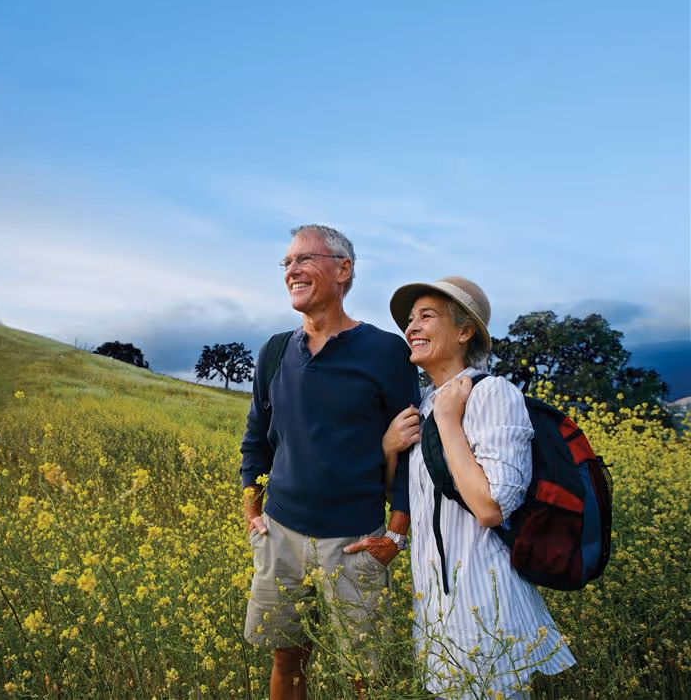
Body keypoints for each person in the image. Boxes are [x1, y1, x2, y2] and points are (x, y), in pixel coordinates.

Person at [240, 224, 420, 699]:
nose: (292, 271)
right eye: (287, 263)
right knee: (286, 657)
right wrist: (251, 508)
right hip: (281, 532)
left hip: (355, 541)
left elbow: (411, 448)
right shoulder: (275, 351)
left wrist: (396, 531)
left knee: (364, 671)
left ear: (343, 270)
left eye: (305, 259)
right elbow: (257, 438)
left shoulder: (385, 351)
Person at [383, 276, 575, 699]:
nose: (411, 328)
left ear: (465, 331)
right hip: (435, 606)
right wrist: (390, 450)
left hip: (484, 606)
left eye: (426, 316)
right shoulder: (427, 404)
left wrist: (450, 424)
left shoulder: (494, 395)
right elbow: (419, 501)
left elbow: (491, 507)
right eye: (410, 320)